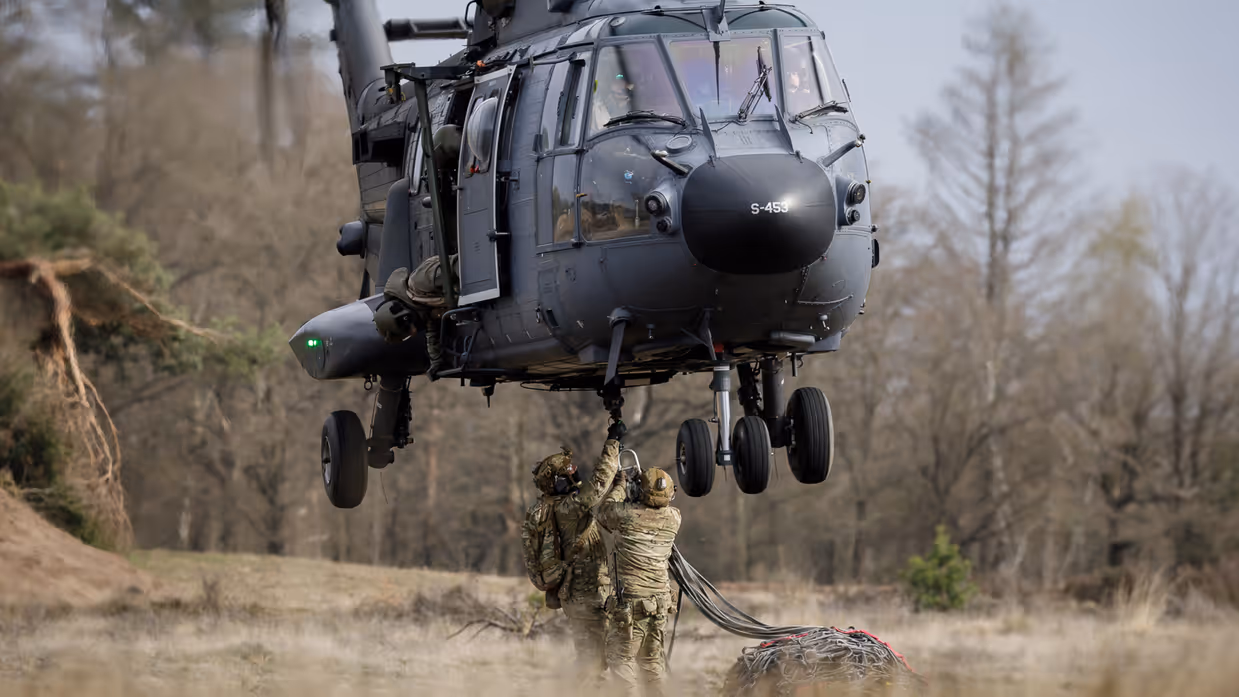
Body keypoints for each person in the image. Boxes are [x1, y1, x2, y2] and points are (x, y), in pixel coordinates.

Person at [520, 420, 628, 687]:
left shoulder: (551, 507)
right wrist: (613, 444)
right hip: (587, 595)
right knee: (594, 662)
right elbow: (599, 484)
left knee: (592, 659)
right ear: (558, 482)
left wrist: (619, 486)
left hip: (576, 597)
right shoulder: (568, 508)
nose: (575, 478)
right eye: (569, 476)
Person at [597, 465, 682, 697]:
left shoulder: (626, 516)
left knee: (621, 658)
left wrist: (621, 485)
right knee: (652, 663)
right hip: (660, 605)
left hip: (632, 606)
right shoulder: (674, 518)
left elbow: (604, 512)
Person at [379, 254, 459, 379]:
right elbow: (432, 334)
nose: (414, 332)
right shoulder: (423, 307)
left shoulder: (420, 283)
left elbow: (458, 265)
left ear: (406, 316)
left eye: (408, 330)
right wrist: (436, 362)